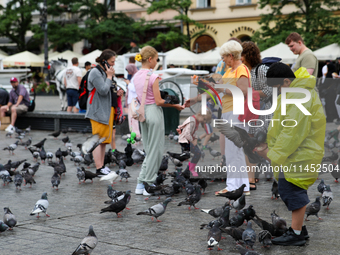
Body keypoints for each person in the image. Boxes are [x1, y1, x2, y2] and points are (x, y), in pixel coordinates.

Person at [255, 63, 326, 246]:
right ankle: (299, 229)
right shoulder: (298, 91)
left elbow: (292, 132)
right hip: (300, 151)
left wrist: (273, 154)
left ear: (286, 81)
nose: (276, 92)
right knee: (292, 187)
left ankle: (296, 235)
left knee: (292, 189)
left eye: (277, 87)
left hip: (299, 152)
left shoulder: (297, 96)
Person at [185, 40, 251, 195]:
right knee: (235, 151)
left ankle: (234, 186)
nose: (223, 60)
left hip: (237, 112)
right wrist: (196, 97)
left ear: (230, 55)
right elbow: (215, 91)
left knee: (234, 150)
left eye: (223, 57)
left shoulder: (241, 69)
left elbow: (243, 91)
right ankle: (243, 187)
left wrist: (221, 88)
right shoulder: (229, 71)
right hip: (229, 111)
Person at [134, 46, 184, 196]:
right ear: (150, 59)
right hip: (154, 112)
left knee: (149, 150)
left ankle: (140, 184)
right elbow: (159, 101)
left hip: (142, 113)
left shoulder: (136, 76)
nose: (156, 62)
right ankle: (148, 184)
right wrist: (175, 106)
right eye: (156, 59)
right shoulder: (153, 76)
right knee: (155, 150)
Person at [241, 41, 273, 188]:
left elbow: (269, 91)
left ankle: (281, 167)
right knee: (249, 144)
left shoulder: (261, 69)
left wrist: (249, 93)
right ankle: (251, 179)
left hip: (262, 111)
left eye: (241, 54)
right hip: (252, 111)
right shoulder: (247, 70)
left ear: (247, 54)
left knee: (260, 145)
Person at [85, 49, 122, 176]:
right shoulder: (95, 72)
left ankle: (101, 166)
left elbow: (109, 89)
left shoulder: (104, 71)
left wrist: (117, 93)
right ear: (105, 61)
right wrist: (110, 76)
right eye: (112, 62)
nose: (113, 65)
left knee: (104, 139)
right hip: (97, 110)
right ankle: (98, 167)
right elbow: (102, 90)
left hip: (107, 109)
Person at [177, 109, 212, 176]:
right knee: (198, 153)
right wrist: (192, 140)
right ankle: (190, 169)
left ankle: (190, 169)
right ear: (199, 115)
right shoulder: (192, 121)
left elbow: (194, 131)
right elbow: (186, 133)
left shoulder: (196, 120)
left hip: (189, 140)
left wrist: (195, 139)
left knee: (197, 153)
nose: (204, 122)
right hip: (185, 140)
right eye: (204, 119)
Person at [124, 63, 140, 139]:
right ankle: (133, 133)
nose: (128, 72)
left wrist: (128, 83)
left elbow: (134, 88)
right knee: (131, 118)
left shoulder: (136, 76)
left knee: (133, 118)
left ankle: (136, 134)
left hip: (134, 100)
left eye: (128, 70)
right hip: (131, 100)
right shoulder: (134, 76)